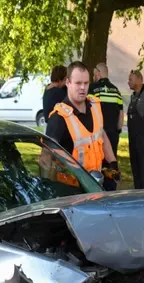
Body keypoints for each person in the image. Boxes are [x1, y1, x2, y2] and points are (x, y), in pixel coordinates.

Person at [45, 61, 120, 191]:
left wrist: (113, 164)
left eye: (86, 83)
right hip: (71, 192)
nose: (83, 88)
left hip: (96, 185)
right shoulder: (58, 118)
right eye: (78, 83)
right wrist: (48, 191)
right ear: (68, 82)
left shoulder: (95, 105)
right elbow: (45, 159)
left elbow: (101, 135)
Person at [90, 62, 124, 154]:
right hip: (113, 134)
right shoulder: (116, 91)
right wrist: (118, 130)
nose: (93, 78)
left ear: (98, 74)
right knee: (111, 162)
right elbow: (121, 113)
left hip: (98, 134)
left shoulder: (92, 89)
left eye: (94, 75)